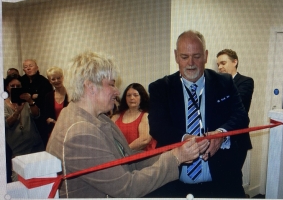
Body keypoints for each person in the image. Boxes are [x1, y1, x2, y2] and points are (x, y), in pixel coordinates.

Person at [46, 51, 204, 198]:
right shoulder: (80, 133)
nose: (117, 91)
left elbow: (127, 158)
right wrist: (175, 158)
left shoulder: (98, 118)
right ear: (90, 87)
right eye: (111, 84)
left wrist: (174, 153)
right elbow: (127, 188)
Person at [147, 30, 249, 198]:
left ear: (206, 55)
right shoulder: (160, 88)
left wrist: (222, 134)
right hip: (175, 186)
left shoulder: (224, 82)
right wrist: (185, 139)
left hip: (222, 184)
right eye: (185, 57)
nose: (191, 63)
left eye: (197, 56)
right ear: (176, 56)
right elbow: (157, 126)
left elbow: (240, 116)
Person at [216, 49, 254, 168]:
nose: (220, 67)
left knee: (234, 179)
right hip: (219, 139)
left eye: (223, 63)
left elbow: (237, 103)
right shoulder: (217, 84)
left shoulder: (246, 81)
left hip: (237, 140)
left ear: (235, 62)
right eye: (218, 65)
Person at [4, 74, 44, 157]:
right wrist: (17, 111)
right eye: (12, 86)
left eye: (18, 86)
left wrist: (30, 101)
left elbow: (36, 115)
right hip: (16, 147)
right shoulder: (3, 105)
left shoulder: (26, 101)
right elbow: (7, 123)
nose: (15, 88)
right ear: (7, 87)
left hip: (35, 145)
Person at [111, 83, 156, 151]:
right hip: (119, 157)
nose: (131, 98)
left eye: (135, 95)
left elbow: (144, 139)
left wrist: (124, 151)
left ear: (142, 97)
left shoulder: (146, 115)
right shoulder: (116, 116)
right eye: (128, 95)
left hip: (144, 159)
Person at [20, 59, 53, 148]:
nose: (28, 69)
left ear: (37, 67)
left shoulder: (44, 82)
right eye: (26, 67)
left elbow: (46, 100)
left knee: (42, 143)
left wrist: (30, 97)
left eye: (31, 66)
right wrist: (33, 96)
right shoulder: (21, 81)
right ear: (23, 70)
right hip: (25, 117)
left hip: (41, 118)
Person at [44, 66, 69, 138]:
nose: (56, 81)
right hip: (54, 132)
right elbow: (46, 116)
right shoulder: (48, 96)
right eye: (53, 79)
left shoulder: (70, 94)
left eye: (58, 78)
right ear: (49, 81)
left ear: (62, 77)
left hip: (68, 131)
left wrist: (54, 122)